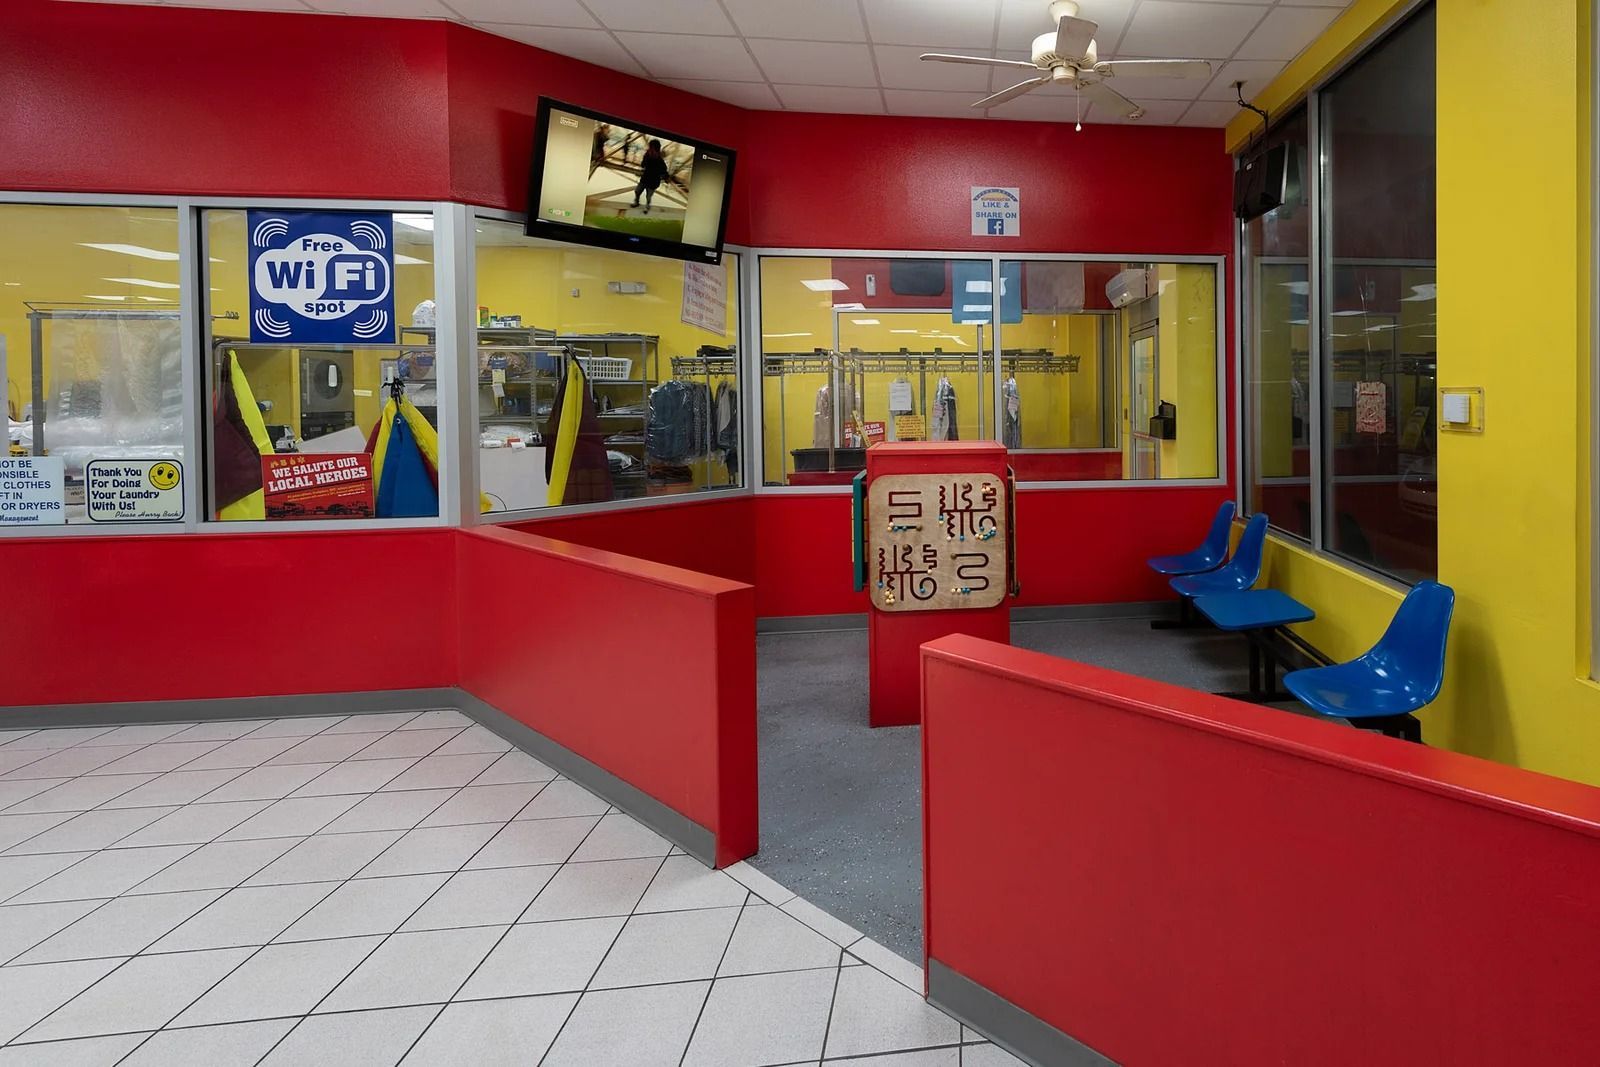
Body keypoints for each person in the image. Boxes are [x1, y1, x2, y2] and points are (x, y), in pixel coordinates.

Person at [632, 139, 669, 214]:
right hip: (645, 179)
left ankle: (647, 206)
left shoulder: (660, 161)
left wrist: (666, 177)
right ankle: (636, 202)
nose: (650, 149)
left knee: (648, 196)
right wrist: (646, 158)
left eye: (651, 148)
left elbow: (664, 171)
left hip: (653, 182)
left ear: (655, 149)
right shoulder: (647, 156)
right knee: (637, 191)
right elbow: (643, 165)